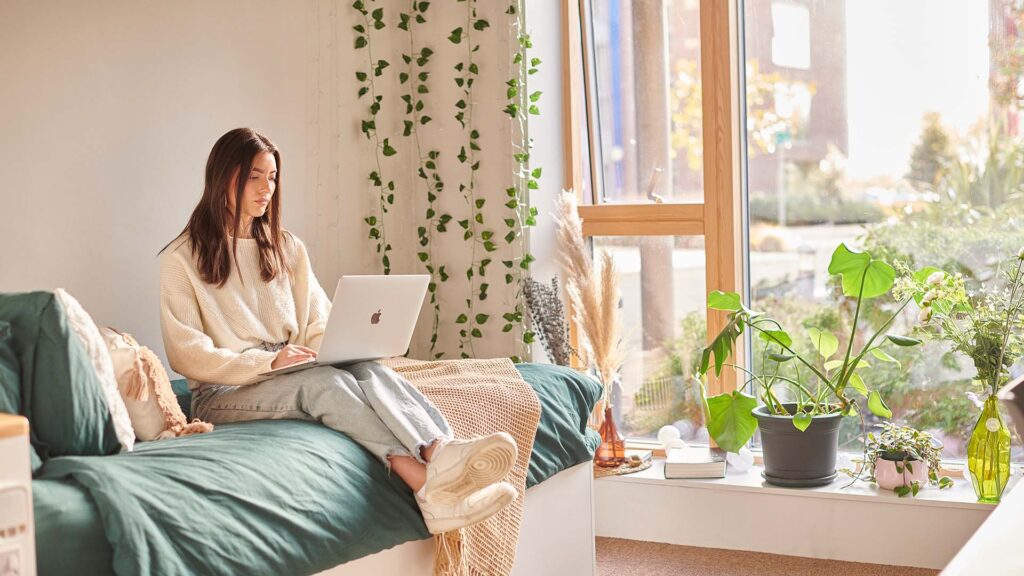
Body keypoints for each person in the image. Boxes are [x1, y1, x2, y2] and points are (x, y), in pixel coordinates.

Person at [159, 127, 516, 534]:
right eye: (255, 176)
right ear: (223, 177)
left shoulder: (287, 248)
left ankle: (439, 451)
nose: (266, 188)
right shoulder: (181, 258)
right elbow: (186, 354)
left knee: (366, 368)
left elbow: (317, 321)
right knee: (323, 384)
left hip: (288, 368)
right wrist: (269, 361)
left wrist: (334, 348)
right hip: (222, 392)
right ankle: (425, 485)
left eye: (272, 177)